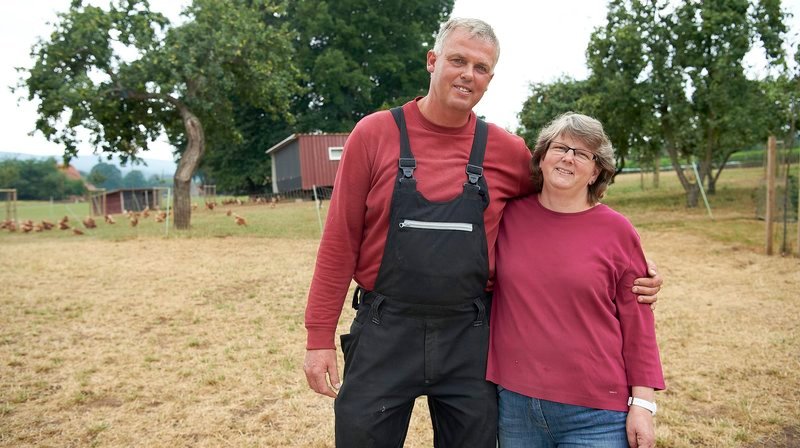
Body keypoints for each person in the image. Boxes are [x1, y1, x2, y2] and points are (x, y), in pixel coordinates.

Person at [302, 18, 662, 447]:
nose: (467, 74)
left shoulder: (507, 151)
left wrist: (624, 257)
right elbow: (339, 240)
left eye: (481, 67)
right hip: (384, 328)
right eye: (457, 60)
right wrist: (318, 336)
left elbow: (561, 202)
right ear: (432, 61)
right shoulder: (374, 134)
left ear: (490, 79)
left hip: (470, 336)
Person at [487, 112, 665, 448]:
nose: (569, 157)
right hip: (515, 407)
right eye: (560, 148)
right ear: (541, 158)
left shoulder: (617, 231)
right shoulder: (506, 217)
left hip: (596, 414)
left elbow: (639, 324)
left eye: (583, 154)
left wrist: (642, 404)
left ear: (596, 171)